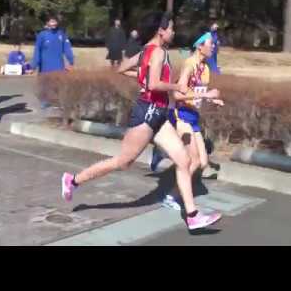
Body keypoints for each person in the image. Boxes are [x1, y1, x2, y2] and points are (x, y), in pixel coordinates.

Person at [61, 12, 222, 231]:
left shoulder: (146, 50)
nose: (173, 32)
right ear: (161, 31)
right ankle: (73, 180)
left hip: (160, 116)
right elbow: (154, 84)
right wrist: (176, 87)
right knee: (122, 162)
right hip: (146, 114)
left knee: (183, 161)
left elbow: (123, 69)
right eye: (171, 28)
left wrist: (144, 77)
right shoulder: (156, 53)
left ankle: (192, 216)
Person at [160, 32, 225, 211]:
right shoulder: (189, 64)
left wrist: (211, 99)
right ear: (199, 46)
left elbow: (197, 93)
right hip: (181, 115)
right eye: (210, 44)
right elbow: (178, 94)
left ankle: (177, 190)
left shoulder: (205, 68)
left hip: (193, 116)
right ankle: (172, 195)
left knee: (202, 163)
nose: (213, 47)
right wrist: (205, 94)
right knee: (193, 161)